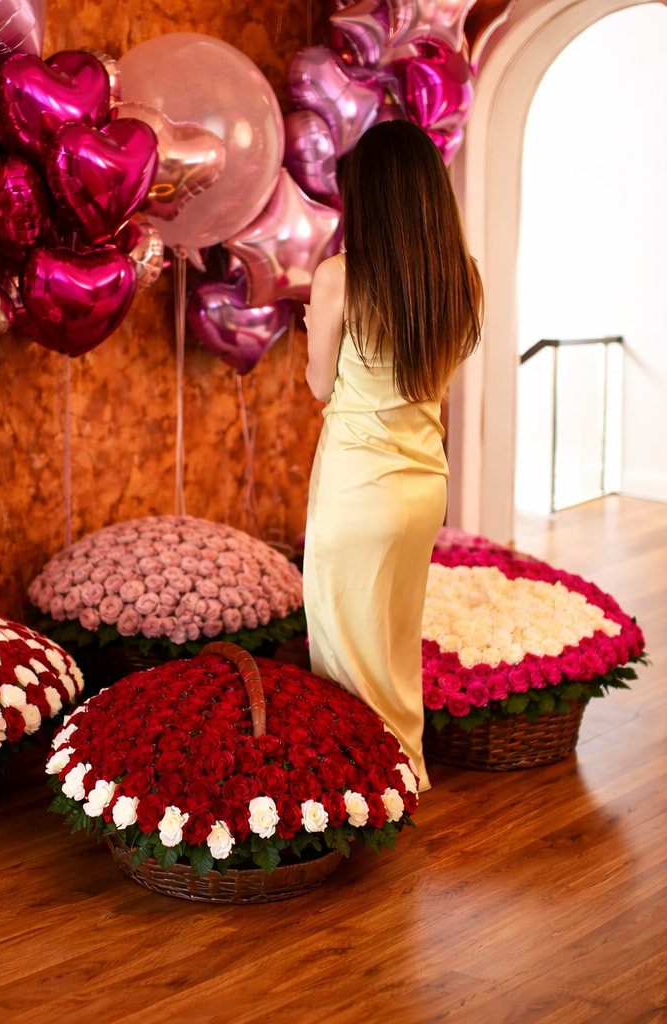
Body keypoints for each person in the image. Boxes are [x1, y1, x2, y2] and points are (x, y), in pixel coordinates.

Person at [303, 120, 483, 791]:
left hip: (359, 483)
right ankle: (403, 772)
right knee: (394, 643)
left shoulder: (340, 277)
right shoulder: (462, 281)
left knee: (345, 648)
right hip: (421, 485)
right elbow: (440, 392)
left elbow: (321, 385)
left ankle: (361, 789)